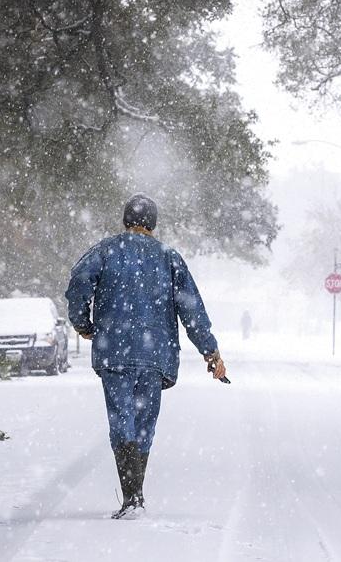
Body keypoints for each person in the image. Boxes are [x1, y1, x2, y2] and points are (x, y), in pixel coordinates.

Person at [65, 193, 227, 519]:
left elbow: (79, 281)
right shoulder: (169, 258)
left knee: (121, 421)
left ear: (126, 220)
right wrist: (211, 352)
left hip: (115, 354)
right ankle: (136, 495)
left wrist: (84, 324)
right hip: (156, 355)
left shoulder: (106, 250)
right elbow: (191, 308)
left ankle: (131, 496)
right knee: (144, 425)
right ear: (152, 224)